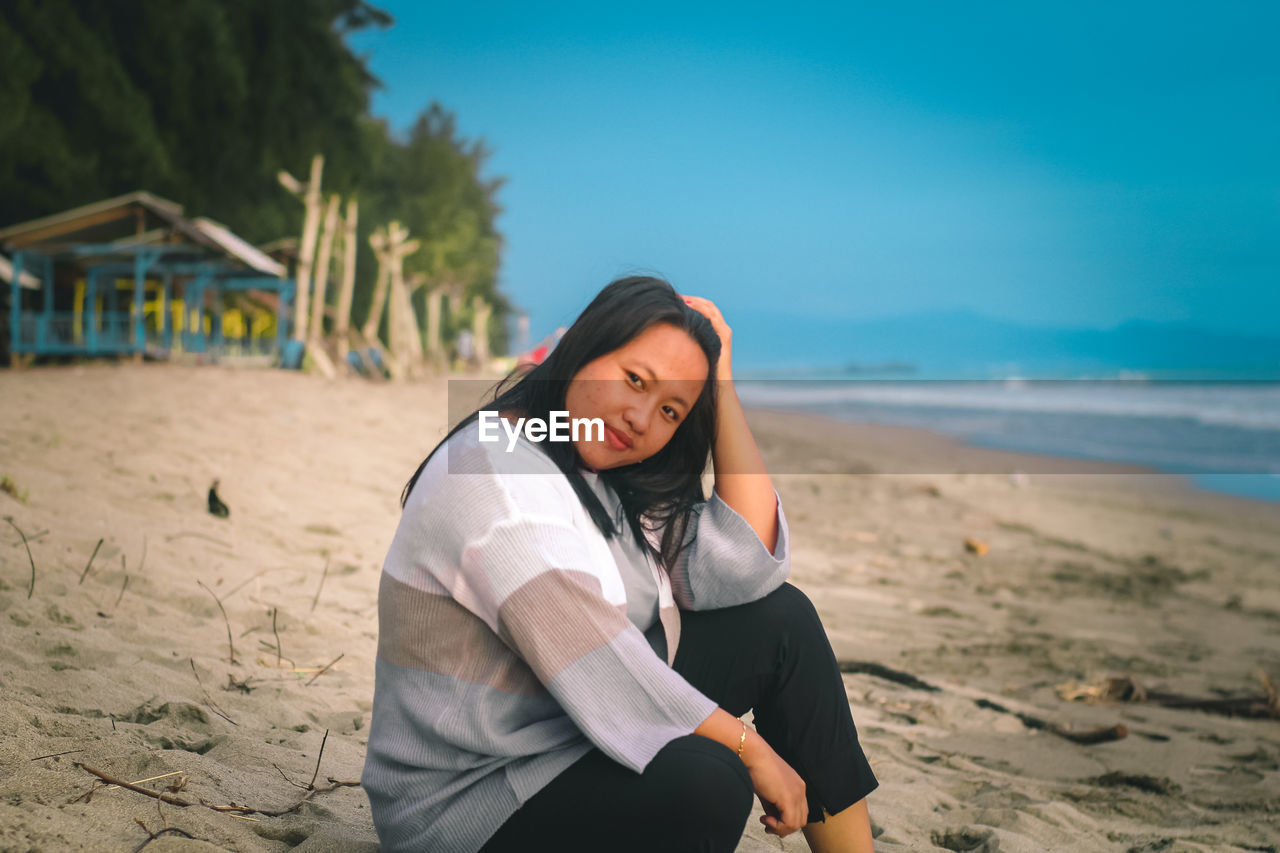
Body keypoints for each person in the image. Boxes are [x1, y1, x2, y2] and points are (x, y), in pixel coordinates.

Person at [362, 276, 877, 852]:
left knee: (782, 620)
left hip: (561, 733)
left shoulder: (586, 455)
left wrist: (721, 391)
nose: (640, 418)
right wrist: (749, 748)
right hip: (471, 799)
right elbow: (595, 659)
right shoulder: (497, 477)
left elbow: (743, 568)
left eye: (670, 410)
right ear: (586, 346)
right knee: (707, 783)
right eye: (635, 380)